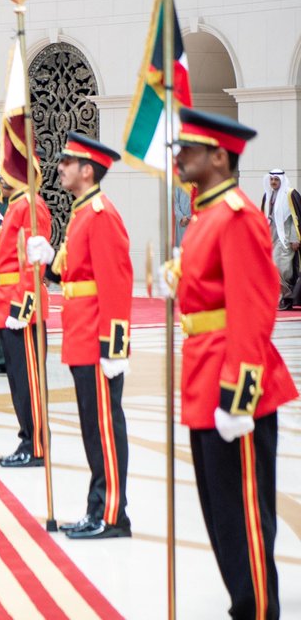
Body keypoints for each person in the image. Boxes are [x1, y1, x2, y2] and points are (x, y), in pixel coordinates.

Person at [169, 108, 297, 620]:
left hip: (233, 387)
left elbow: (253, 307)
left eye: (188, 150)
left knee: (244, 516)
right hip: (204, 378)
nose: (178, 157)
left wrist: (238, 395)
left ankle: (257, 610)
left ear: (218, 157)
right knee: (222, 516)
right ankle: (244, 604)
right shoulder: (207, 214)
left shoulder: (237, 215)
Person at [36, 133, 133, 539]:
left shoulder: (100, 215)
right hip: (80, 333)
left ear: (87, 169)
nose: (60, 167)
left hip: (97, 339)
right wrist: (47, 260)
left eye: (67, 162)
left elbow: (116, 283)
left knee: (104, 428)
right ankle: (98, 507)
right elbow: (69, 274)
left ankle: (111, 514)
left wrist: (115, 346)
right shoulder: (80, 214)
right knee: (93, 428)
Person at [0, 173, 52, 468]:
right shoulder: (15, 205)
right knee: (17, 380)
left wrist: (23, 308)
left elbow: (32, 263)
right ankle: (27, 438)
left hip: (20, 307)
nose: (1, 176)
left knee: (28, 382)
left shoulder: (30, 205)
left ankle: (35, 444)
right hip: (6, 303)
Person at [260, 168, 300, 309]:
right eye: (271, 179)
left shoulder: (290, 194)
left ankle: (287, 297)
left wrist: (295, 239)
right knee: (271, 266)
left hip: (286, 237)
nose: (273, 182)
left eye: (276, 179)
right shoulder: (268, 195)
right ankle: (281, 298)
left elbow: (294, 219)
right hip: (271, 235)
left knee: (282, 268)